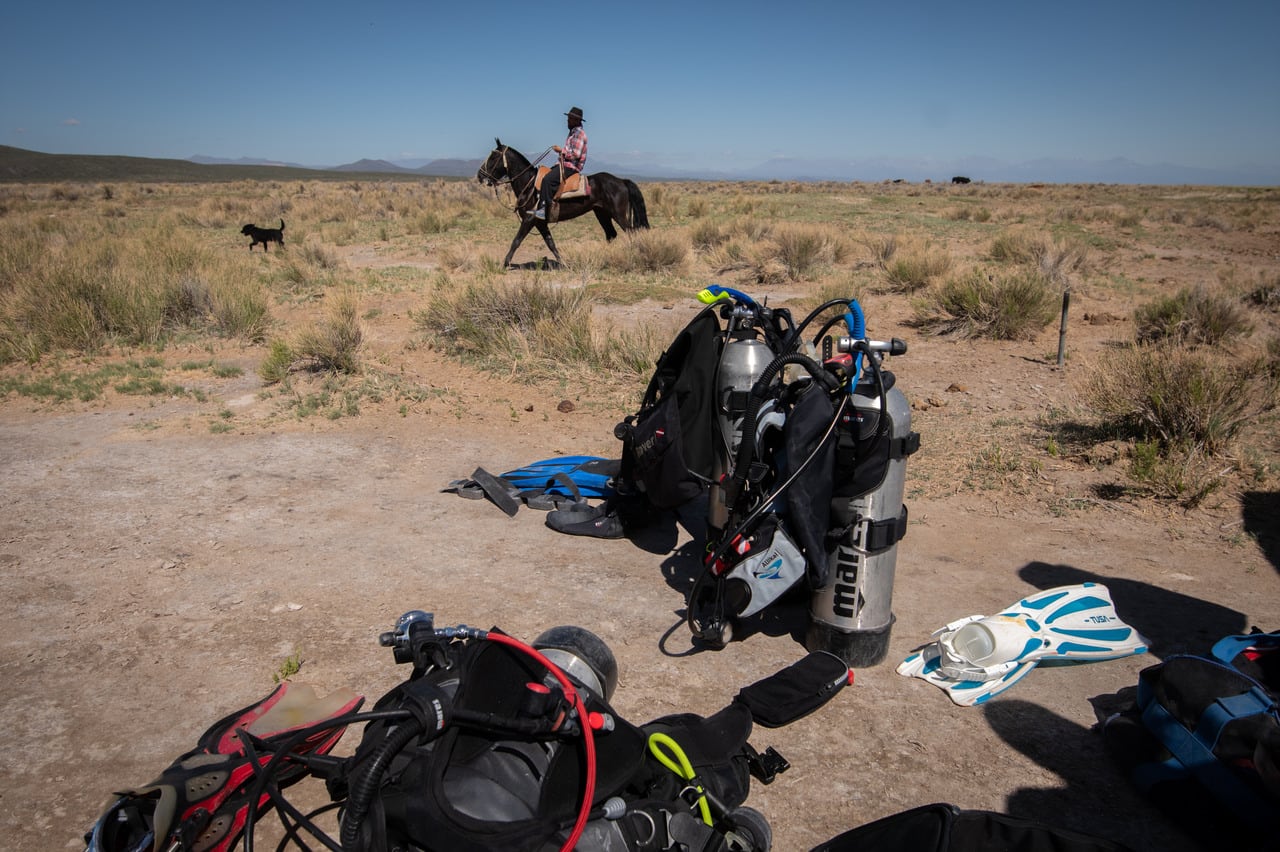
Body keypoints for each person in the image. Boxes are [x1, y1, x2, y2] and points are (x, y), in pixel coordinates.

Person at [533, 106, 587, 220]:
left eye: (570, 118)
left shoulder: (579, 134)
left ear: (577, 121)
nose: (567, 120)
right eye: (568, 118)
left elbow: (576, 154)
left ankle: (543, 211)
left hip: (571, 167)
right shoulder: (573, 133)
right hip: (564, 164)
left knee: (547, 180)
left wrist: (560, 151)